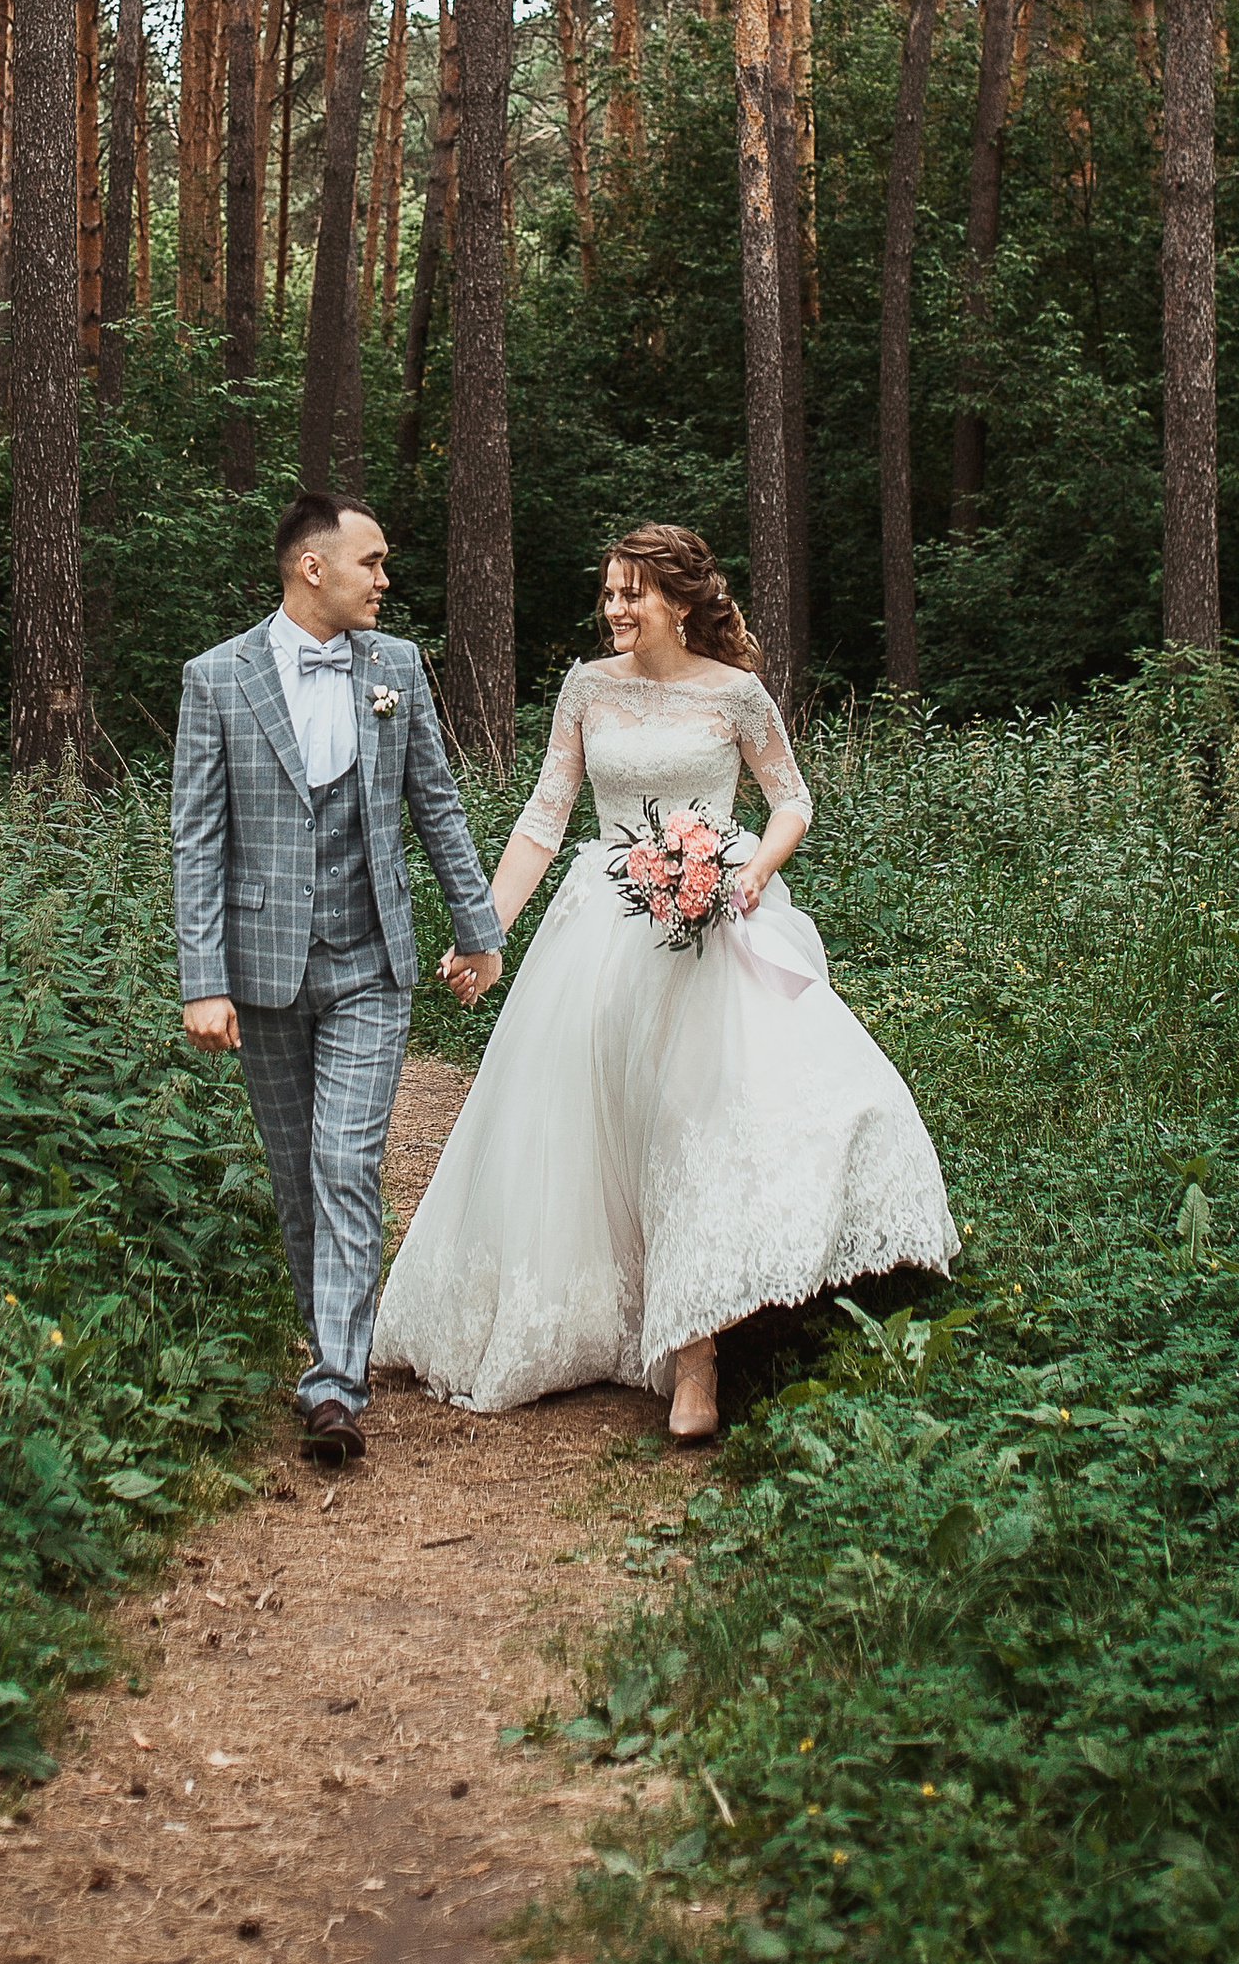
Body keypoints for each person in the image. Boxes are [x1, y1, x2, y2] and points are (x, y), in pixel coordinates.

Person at [373, 523, 958, 1441]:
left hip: (714, 924)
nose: (614, 608)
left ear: (679, 603)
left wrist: (752, 871)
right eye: (608, 592)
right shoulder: (586, 688)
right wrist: (485, 933)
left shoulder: (736, 694)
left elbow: (792, 800)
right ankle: (609, 1316)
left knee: (695, 1121)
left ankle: (698, 1358)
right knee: (607, 1123)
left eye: (631, 593)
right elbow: (544, 819)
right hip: (604, 927)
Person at [173, 489, 504, 1467]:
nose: (385, 579)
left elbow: (436, 805)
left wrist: (477, 929)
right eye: (373, 561)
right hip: (262, 972)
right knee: (294, 1176)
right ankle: (329, 1343)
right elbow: (197, 841)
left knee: (344, 1162)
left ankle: (334, 1384)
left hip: (371, 962)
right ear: (312, 567)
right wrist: (202, 979)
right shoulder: (216, 679)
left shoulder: (395, 667)